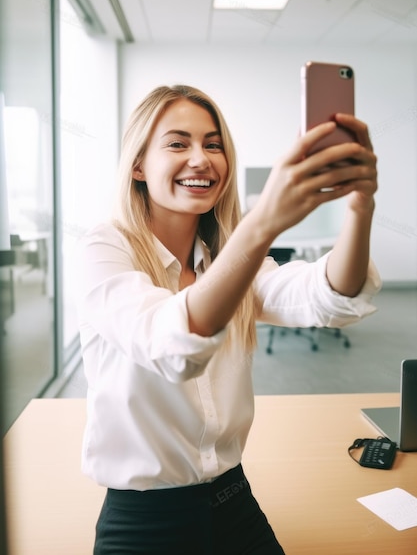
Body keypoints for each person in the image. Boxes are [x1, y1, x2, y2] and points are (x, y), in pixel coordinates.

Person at [73, 84, 381, 554]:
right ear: (138, 165)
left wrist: (360, 207)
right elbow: (170, 344)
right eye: (178, 143)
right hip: (144, 519)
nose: (201, 159)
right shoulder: (105, 248)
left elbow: (328, 297)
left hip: (235, 502)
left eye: (213, 144)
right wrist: (262, 224)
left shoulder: (226, 258)